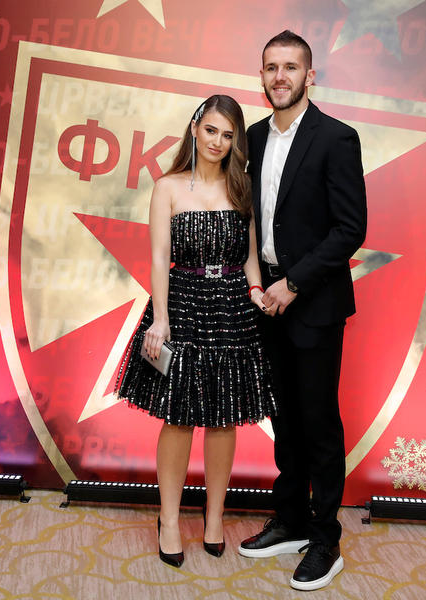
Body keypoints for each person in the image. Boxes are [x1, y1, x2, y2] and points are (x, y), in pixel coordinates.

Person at [115, 95, 276, 568]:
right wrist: (161, 318)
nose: (217, 142)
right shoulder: (166, 187)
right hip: (182, 303)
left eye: (228, 135)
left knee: (224, 418)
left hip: (232, 308)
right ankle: (168, 520)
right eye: (211, 130)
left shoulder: (242, 187)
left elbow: (250, 255)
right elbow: (159, 257)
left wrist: (254, 290)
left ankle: (214, 517)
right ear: (194, 128)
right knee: (179, 417)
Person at [237, 31, 367, 591]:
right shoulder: (253, 136)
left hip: (313, 302)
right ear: (262, 76)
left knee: (318, 422)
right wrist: (257, 283)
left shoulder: (337, 137)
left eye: (291, 67)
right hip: (265, 302)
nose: (280, 76)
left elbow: (350, 228)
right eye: (271, 67)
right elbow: (251, 216)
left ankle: (324, 539)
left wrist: (292, 284)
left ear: (309, 75)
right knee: (284, 418)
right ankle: (288, 519)